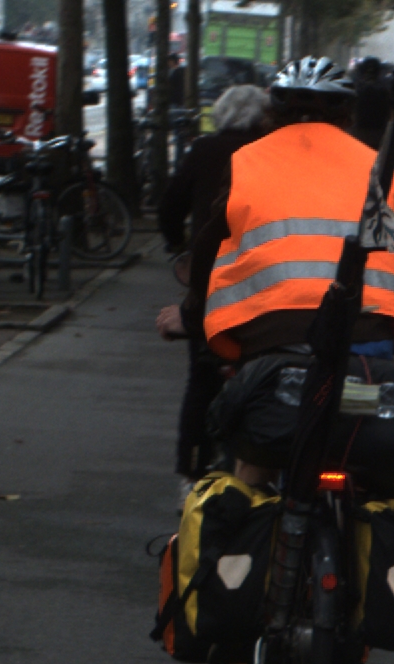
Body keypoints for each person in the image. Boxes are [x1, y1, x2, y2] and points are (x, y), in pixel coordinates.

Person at [154, 57, 394, 485]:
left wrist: (191, 314)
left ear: (273, 113)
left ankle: (245, 513)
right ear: (346, 115)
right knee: (366, 442)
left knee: (257, 445)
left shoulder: (248, 161)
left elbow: (210, 248)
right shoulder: (379, 168)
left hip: (270, 333)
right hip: (365, 332)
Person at [156, 84, 271, 483]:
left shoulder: (204, 150)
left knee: (201, 383)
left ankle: (190, 473)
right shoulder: (270, 152)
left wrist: (176, 245)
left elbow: (170, 205)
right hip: (263, 280)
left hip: (211, 282)